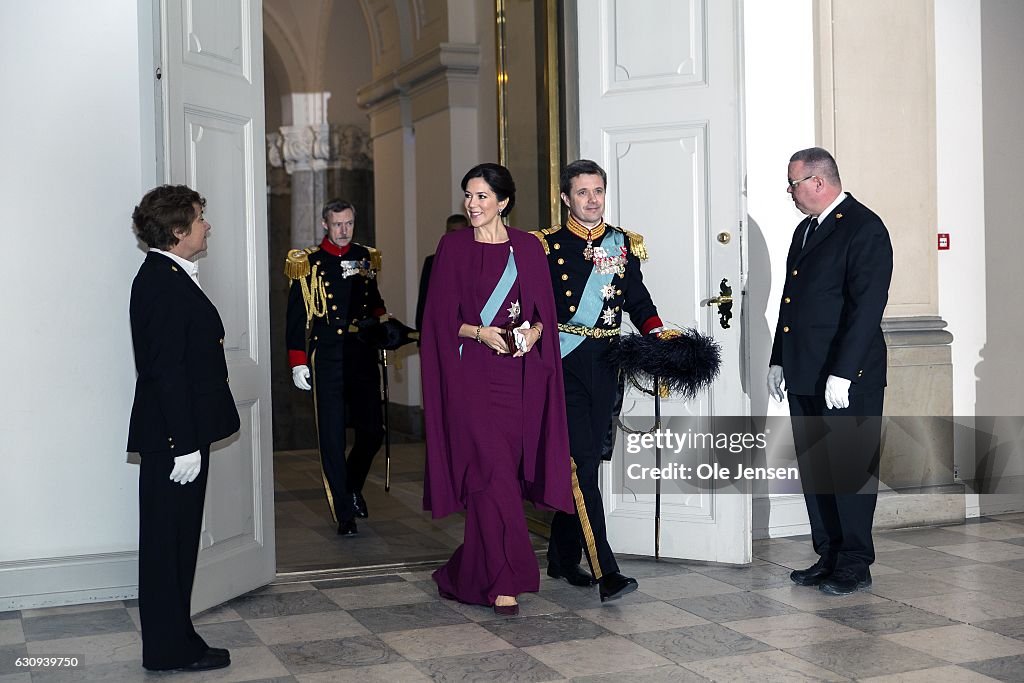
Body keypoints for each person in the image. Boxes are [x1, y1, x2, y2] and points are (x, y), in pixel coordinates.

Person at [421, 163, 574, 615]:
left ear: (503, 201)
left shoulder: (528, 247)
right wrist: (478, 332)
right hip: (471, 378)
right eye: (468, 195)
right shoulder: (452, 247)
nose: (472, 204)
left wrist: (534, 334)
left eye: (482, 196)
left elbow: (544, 313)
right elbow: (437, 321)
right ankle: (507, 579)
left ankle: (466, 572)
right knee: (492, 474)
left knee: (499, 475)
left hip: (517, 380)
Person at [533, 159, 664, 602]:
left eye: (599, 191)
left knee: (587, 463)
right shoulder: (545, 246)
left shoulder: (622, 243)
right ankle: (606, 570)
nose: (592, 200)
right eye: (583, 192)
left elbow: (637, 300)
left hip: (607, 364)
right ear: (566, 198)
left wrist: (658, 333)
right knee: (582, 462)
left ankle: (561, 556)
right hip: (564, 363)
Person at [768, 147, 893, 596]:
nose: (790, 192)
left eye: (793, 183)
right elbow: (790, 300)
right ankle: (830, 554)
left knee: (849, 470)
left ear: (818, 182)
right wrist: (779, 357)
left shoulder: (865, 228)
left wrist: (844, 372)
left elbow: (866, 309)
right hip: (805, 370)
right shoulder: (806, 229)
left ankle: (855, 562)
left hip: (845, 377)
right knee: (817, 470)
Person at [127, 185, 239, 672]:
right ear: (178, 231)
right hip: (174, 440)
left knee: (175, 543)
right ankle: (169, 647)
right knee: (167, 545)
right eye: (199, 219)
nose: (206, 226)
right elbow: (165, 370)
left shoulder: (169, 275)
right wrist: (184, 445)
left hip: (179, 434)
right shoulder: (162, 281)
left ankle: (176, 638)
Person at [285, 199, 387, 535]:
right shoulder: (308, 262)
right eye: (337, 224)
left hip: (360, 354)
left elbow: (375, 304)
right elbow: (295, 318)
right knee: (331, 436)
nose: (344, 231)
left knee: (372, 431)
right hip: (326, 356)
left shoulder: (365, 257)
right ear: (325, 224)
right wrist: (298, 362)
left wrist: (385, 328)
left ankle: (351, 486)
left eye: (349, 224)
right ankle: (344, 512)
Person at [416, 213, 469, 332]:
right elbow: (425, 299)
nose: (458, 237)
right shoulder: (433, 262)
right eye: (453, 232)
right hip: (441, 326)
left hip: (470, 328)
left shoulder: (476, 261)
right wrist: (422, 331)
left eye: (462, 232)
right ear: (447, 233)